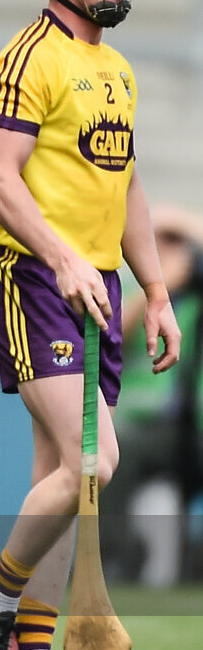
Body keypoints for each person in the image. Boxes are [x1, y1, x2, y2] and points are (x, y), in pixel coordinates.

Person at [0, 0, 181, 650]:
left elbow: (124, 186)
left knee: (60, 474)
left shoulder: (113, 69)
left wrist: (154, 290)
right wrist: (61, 260)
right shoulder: (28, 59)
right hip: (34, 281)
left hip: (96, 287)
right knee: (94, 462)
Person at [103, 204, 203, 585]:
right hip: (152, 424)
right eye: (161, 239)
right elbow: (114, 330)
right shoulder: (133, 293)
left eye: (179, 242)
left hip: (196, 423)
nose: (170, 249)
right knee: (112, 446)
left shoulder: (197, 297)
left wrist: (185, 224)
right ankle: (111, 558)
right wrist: (158, 293)